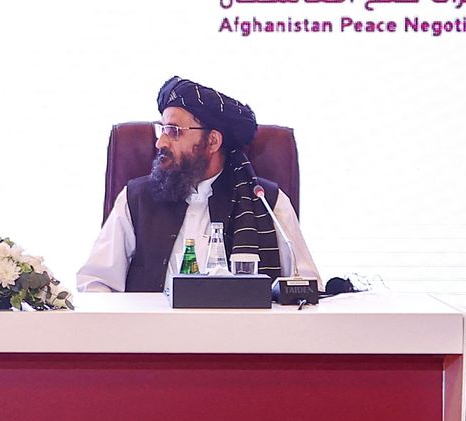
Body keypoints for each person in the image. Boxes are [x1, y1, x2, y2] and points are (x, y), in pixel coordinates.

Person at [78, 75, 317, 293]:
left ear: (212, 141)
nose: (160, 143)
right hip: (153, 327)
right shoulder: (135, 199)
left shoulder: (265, 201)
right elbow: (95, 284)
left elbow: (307, 289)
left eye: (174, 131)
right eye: (162, 129)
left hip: (241, 327)